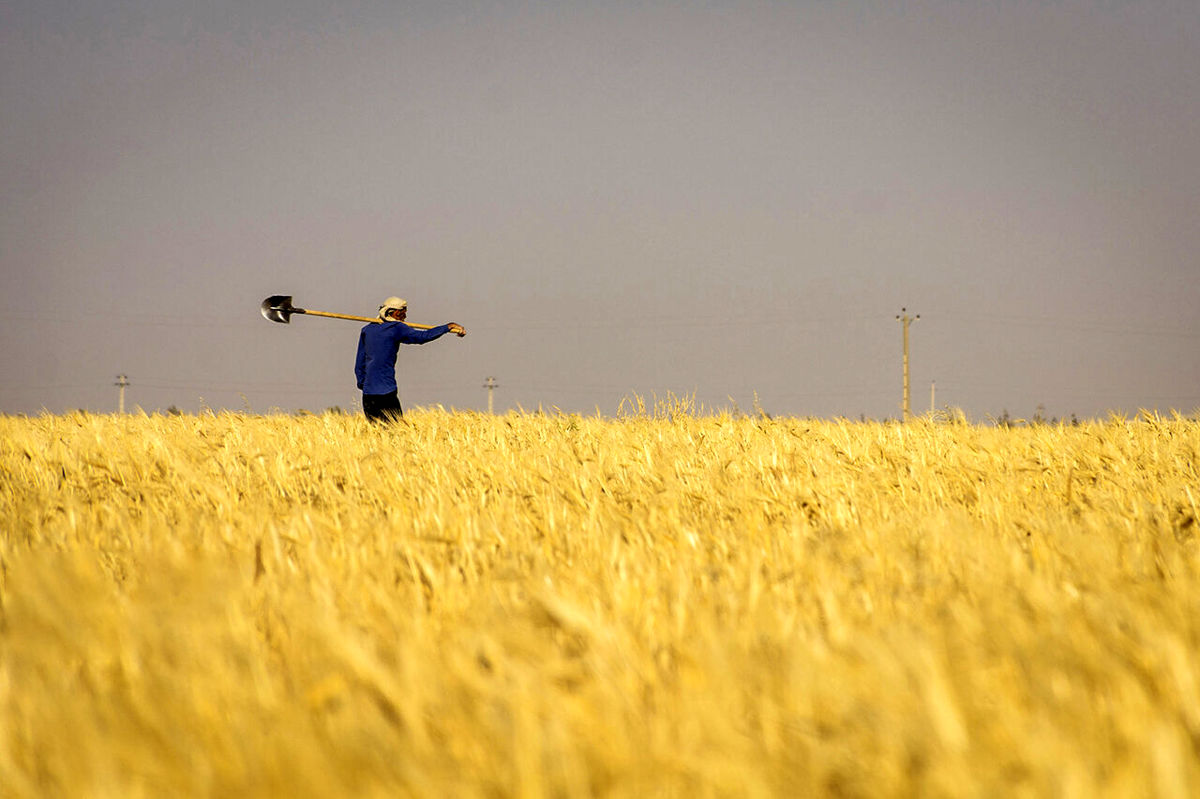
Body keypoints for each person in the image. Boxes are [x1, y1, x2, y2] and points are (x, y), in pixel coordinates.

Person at [354, 296, 465, 422]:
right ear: (395, 312)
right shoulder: (397, 328)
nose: (405, 318)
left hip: (368, 394)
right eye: (403, 314)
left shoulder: (367, 330)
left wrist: (364, 384)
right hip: (386, 392)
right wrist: (447, 327)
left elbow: (359, 364)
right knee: (396, 431)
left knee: (375, 434)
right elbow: (422, 337)